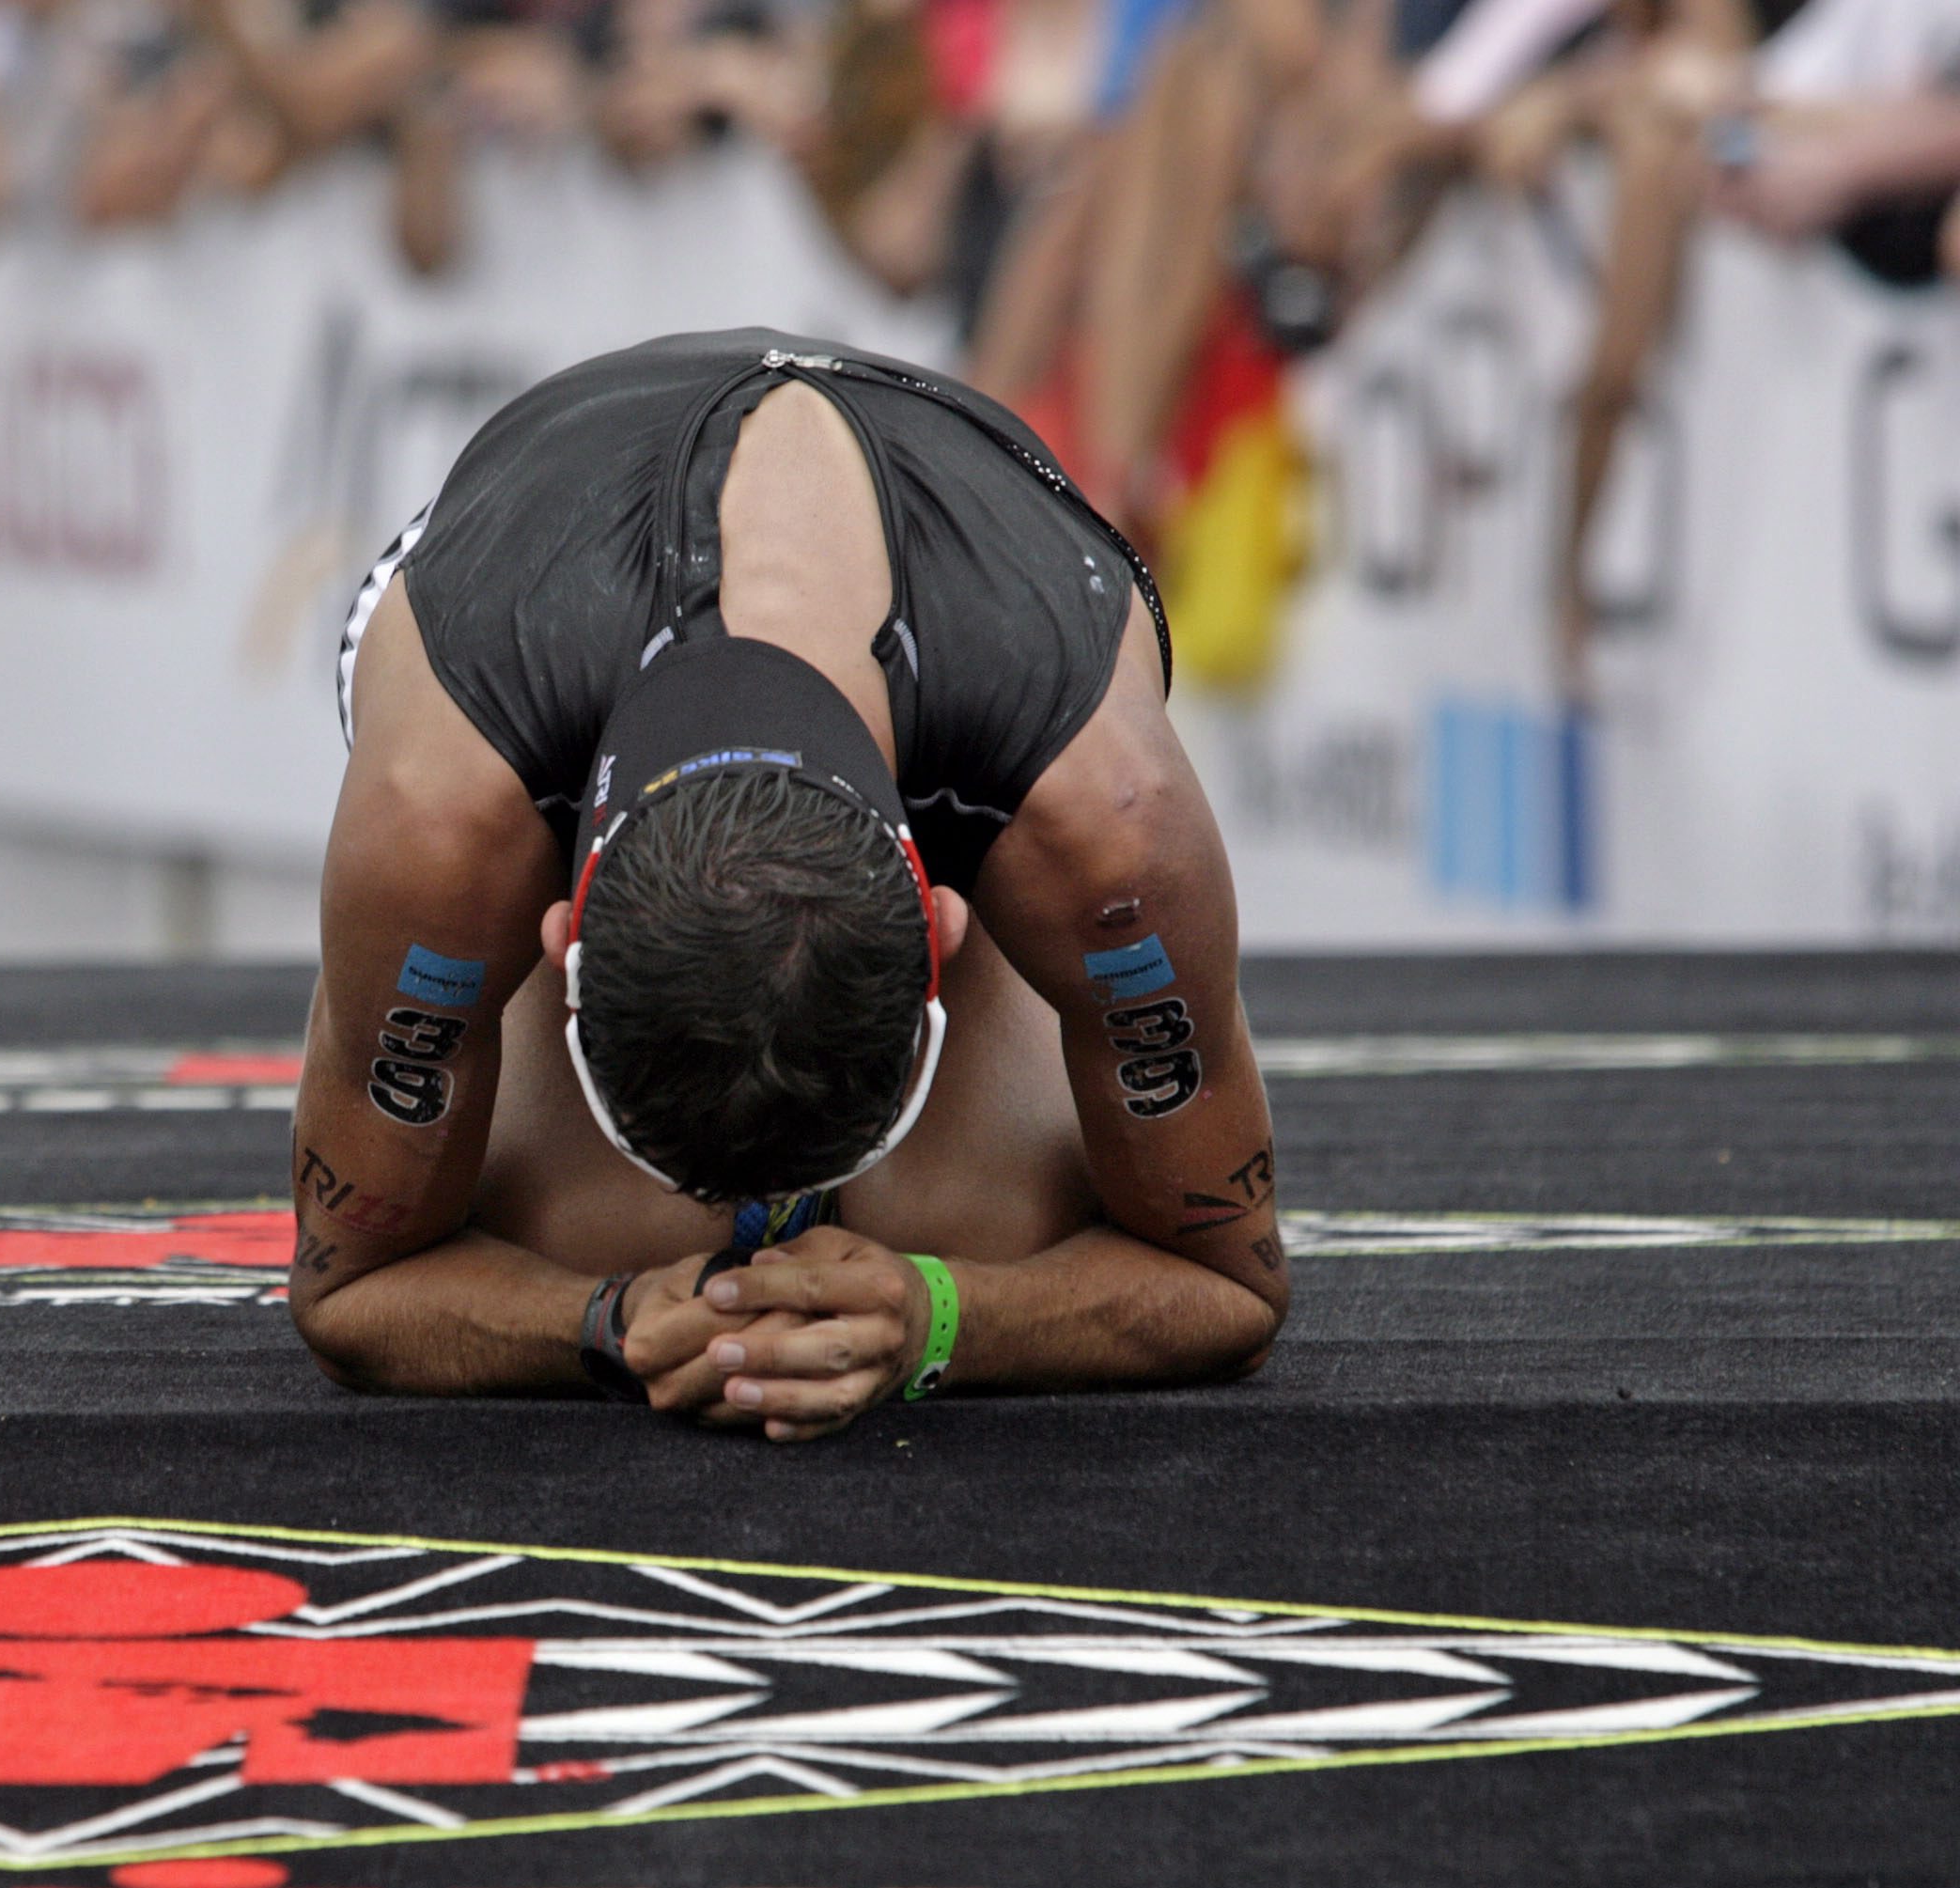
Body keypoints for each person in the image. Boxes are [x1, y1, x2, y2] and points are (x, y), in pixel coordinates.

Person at [288, 327, 1286, 1438]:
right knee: (604, 1229)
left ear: (946, 923)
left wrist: (945, 1317)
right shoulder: (441, 819)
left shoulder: (1108, 825)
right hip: (531, 621)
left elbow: (1231, 1286)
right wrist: (602, 1319)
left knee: (972, 1219)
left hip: (982, 623)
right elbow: (350, 1291)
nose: (755, 1221)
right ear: (562, 935)